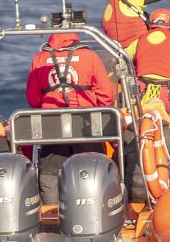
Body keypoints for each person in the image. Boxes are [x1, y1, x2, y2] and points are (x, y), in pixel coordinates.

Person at [26, 32, 116, 204]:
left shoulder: (39, 58)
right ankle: (96, 206)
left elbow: (33, 98)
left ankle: (52, 213)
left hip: (51, 124)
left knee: (50, 173)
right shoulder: (90, 56)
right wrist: (93, 108)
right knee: (93, 168)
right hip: (86, 124)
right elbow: (106, 94)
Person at [132, 9, 170, 180]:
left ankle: (143, 172)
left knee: (142, 128)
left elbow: (123, 59)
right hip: (168, 95)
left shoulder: (139, 41)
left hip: (143, 92)